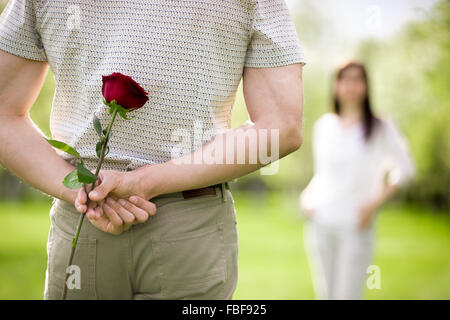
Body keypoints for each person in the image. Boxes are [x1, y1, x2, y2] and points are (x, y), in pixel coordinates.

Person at [0, 0, 306, 299]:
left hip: (107, 221)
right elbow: (281, 126)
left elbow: (284, 127)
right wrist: (89, 194)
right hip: (175, 227)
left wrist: (94, 191)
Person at [299, 61, 415, 300]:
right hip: (321, 221)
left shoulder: (380, 127)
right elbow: (322, 174)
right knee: (326, 295)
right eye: (344, 79)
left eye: (357, 79)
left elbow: (405, 169)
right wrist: (307, 196)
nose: (350, 85)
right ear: (335, 85)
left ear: (366, 86)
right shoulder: (324, 126)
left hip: (356, 224)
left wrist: (372, 204)